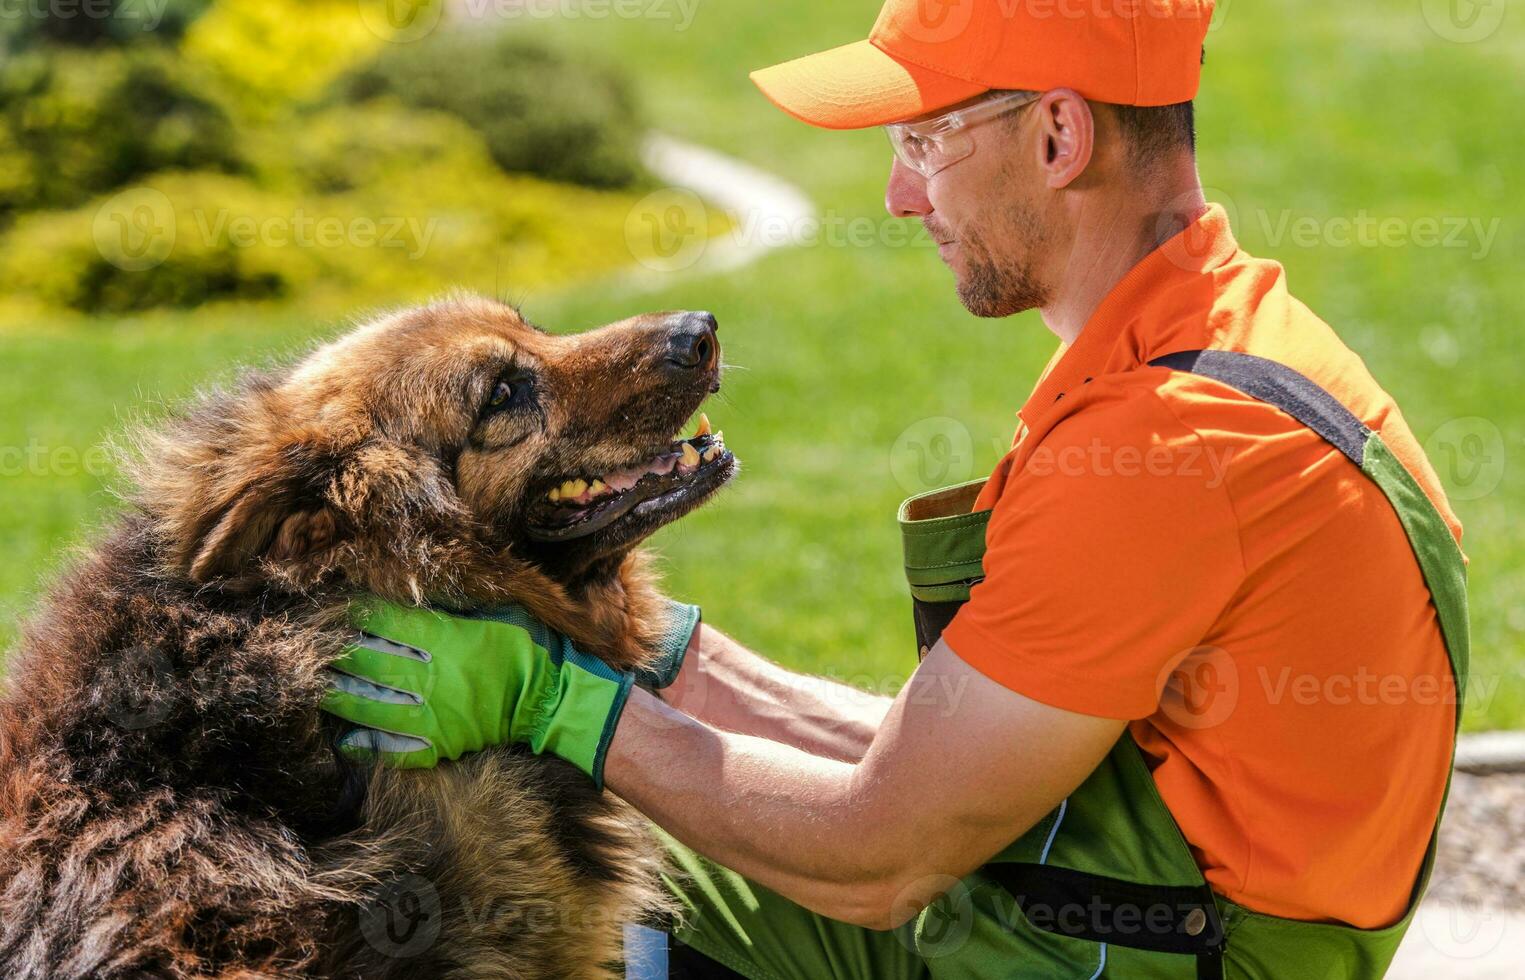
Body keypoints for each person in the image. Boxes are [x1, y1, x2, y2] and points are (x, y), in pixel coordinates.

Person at [324, 0, 1470, 975]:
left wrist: (551, 702)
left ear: (1060, 133)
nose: (897, 196)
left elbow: (882, 849)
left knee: (566, 900)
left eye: (922, 141)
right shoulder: (1217, 343)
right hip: (1130, 902)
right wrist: (655, 649)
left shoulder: (1168, 445)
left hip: (1144, 952)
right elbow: (943, 760)